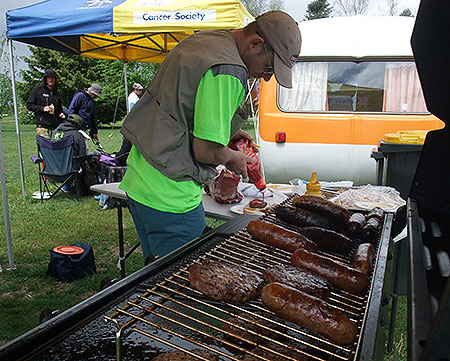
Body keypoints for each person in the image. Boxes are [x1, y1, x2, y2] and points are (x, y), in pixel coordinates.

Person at [119, 11, 301, 264]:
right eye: (270, 67)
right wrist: (232, 158)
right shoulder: (229, 69)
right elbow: (205, 151)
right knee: (179, 287)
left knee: (153, 274)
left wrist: (226, 130)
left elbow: (184, 107)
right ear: (255, 43)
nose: (267, 76)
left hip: (141, 181)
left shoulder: (206, 41)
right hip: (172, 195)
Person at [52, 114, 100, 195]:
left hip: (53, 169)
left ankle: (68, 186)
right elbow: (83, 155)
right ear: (77, 125)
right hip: (71, 169)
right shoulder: (77, 135)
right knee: (91, 161)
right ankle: (92, 187)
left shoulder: (55, 133)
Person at [27, 68, 65, 138]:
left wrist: (61, 114)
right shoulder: (37, 90)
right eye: (49, 78)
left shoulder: (57, 93)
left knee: (56, 147)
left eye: (53, 78)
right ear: (45, 79)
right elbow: (29, 105)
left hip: (55, 126)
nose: (51, 80)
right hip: (42, 126)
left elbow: (60, 109)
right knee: (44, 147)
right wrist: (43, 109)